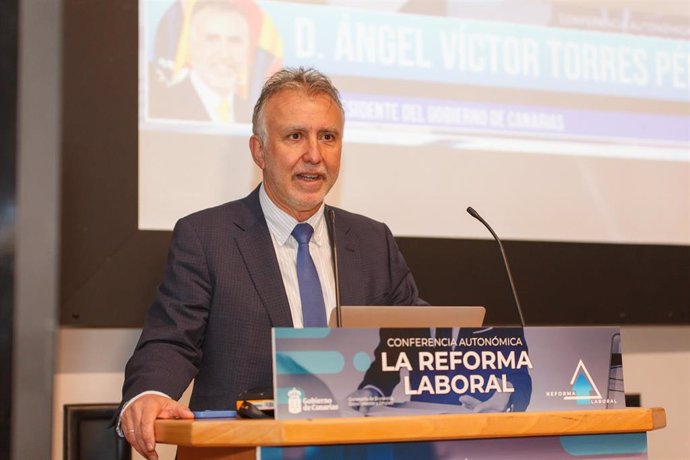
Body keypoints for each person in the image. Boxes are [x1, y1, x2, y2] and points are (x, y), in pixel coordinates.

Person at [119, 67, 426, 460]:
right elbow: (172, 339)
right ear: (259, 150)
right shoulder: (206, 237)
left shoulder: (372, 240)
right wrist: (151, 394)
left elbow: (415, 338)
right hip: (241, 451)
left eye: (327, 137)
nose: (314, 155)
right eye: (295, 136)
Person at [148, 0, 255, 123]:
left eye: (234, 41)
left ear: (247, 49)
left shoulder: (253, 114)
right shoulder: (163, 106)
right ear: (191, 46)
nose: (224, 54)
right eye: (212, 40)